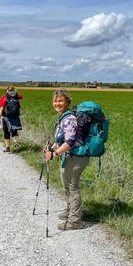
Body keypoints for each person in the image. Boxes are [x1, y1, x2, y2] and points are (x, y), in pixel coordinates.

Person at [44, 90, 89, 230]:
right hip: (70, 156)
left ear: (67, 102)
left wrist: (55, 153)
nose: (57, 103)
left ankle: (74, 221)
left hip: (77, 157)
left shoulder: (69, 119)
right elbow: (62, 139)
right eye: (55, 101)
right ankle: (70, 211)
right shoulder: (63, 117)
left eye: (61, 101)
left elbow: (69, 141)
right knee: (66, 185)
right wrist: (52, 148)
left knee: (72, 187)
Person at [0, 85, 23, 152]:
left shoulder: (4, 98)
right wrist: (15, 94)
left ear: (7, 90)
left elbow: (1, 108)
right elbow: (21, 96)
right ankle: (17, 147)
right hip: (15, 117)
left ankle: (7, 148)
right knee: (14, 132)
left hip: (5, 117)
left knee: (6, 132)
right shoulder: (16, 97)